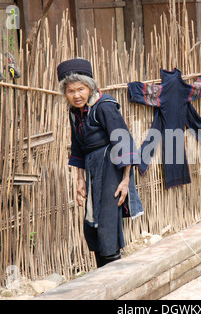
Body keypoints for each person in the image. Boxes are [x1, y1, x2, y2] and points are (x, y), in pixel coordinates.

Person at [57, 58, 144, 268]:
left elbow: (124, 142)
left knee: (107, 221)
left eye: (81, 89)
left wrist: (125, 181)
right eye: (70, 91)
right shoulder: (74, 113)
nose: (76, 95)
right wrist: (80, 179)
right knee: (92, 222)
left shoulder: (104, 107)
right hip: (92, 170)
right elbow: (77, 147)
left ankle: (114, 274)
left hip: (111, 168)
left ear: (90, 87)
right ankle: (102, 272)